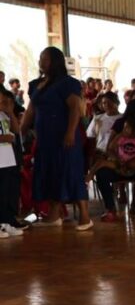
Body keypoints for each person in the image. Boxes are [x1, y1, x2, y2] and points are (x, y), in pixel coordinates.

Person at [20, 47, 92, 231]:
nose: (41, 62)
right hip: (45, 138)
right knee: (49, 172)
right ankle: (54, 214)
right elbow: (31, 110)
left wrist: (70, 132)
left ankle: (84, 216)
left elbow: (75, 108)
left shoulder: (67, 83)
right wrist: (20, 130)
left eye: (45, 58)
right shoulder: (36, 84)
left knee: (70, 170)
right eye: (40, 58)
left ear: (55, 61)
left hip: (65, 135)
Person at [0, 87, 23, 237]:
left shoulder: (3, 114)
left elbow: (15, 129)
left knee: (7, 192)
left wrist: (9, 112)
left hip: (7, 157)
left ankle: (7, 221)